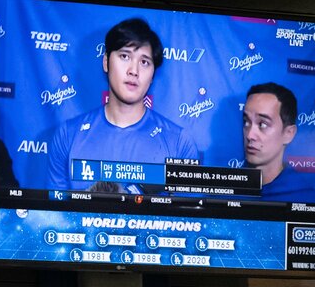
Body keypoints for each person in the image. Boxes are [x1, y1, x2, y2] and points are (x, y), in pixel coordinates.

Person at [46, 17, 200, 191]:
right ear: (106, 62)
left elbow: (187, 216)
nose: (133, 71)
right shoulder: (68, 135)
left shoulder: (179, 142)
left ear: (153, 74)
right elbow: (57, 214)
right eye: (125, 56)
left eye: (144, 62)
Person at [241, 82, 315, 203]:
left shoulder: (305, 198)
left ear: (288, 133)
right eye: (246, 122)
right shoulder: (225, 190)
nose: (250, 135)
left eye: (262, 124)